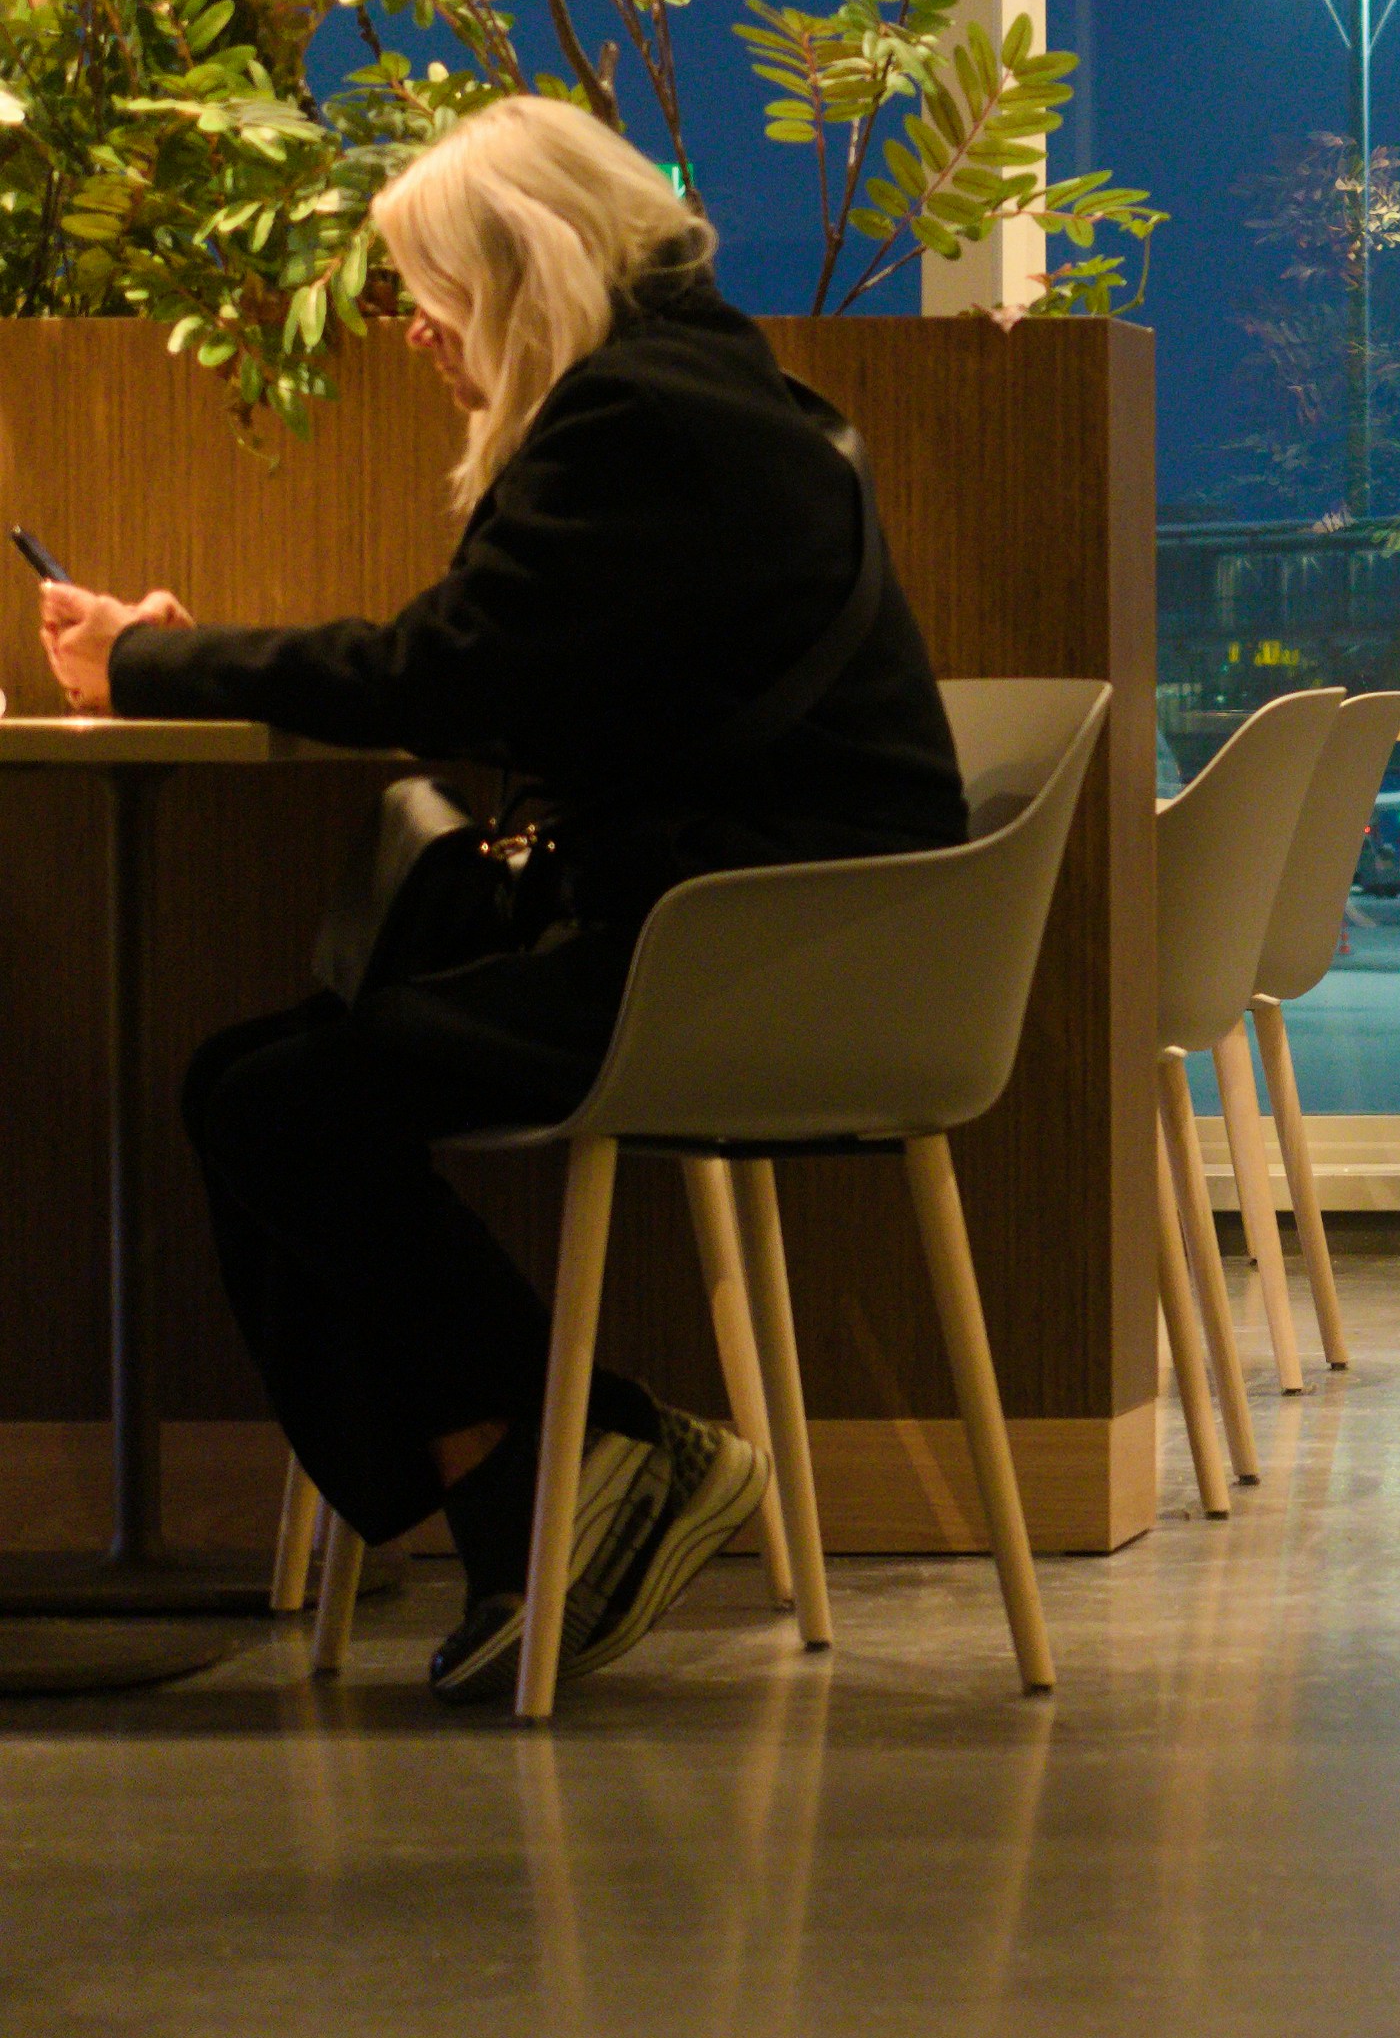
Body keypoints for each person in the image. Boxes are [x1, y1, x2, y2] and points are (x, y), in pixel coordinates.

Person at [33, 96, 969, 1706]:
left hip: (744, 957)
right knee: (254, 1083)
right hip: (777, 930)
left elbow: (446, 673)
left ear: (523, 273)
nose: (414, 334)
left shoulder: (639, 419)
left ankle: (586, 1467)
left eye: (433, 295)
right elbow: (507, 671)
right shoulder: (704, 390)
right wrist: (170, 659)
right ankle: (544, 1495)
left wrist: (150, 662)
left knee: (273, 1101)